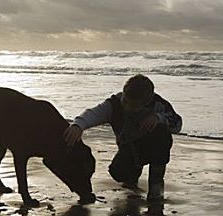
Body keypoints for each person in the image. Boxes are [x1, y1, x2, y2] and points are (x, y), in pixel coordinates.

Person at [64, 74, 182, 202]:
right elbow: (94, 113)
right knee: (118, 172)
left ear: (146, 103)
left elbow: (177, 124)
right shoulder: (115, 104)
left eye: (132, 105)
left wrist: (159, 118)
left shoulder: (159, 105)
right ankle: (132, 176)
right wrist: (78, 125)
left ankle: (156, 189)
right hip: (130, 147)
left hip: (155, 147)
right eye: (125, 100)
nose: (126, 106)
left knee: (162, 133)